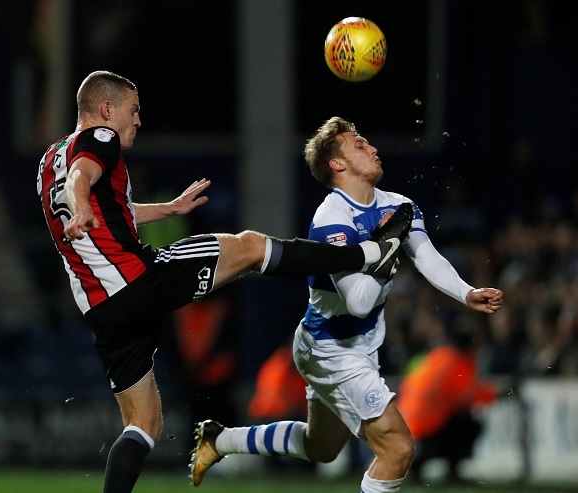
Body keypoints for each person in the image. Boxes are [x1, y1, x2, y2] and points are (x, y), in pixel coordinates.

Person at [36, 72, 412, 493]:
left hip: (102, 307)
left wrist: (167, 209)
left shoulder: (49, 159)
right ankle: (369, 253)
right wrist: (82, 205)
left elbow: (108, 207)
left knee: (143, 423)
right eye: (133, 110)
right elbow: (82, 178)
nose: (138, 120)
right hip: (138, 279)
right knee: (249, 247)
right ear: (106, 109)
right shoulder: (100, 137)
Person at [189, 116, 504, 493]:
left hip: (353, 345)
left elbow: (427, 257)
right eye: (359, 145)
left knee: (320, 447)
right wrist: (384, 249)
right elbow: (358, 302)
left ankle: (221, 439)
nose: (373, 148)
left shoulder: (398, 204)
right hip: (331, 349)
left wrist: (465, 292)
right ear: (337, 163)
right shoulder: (332, 219)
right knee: (397, 448)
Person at [396, 326, 497, 484]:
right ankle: (451, 469)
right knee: (469, 425)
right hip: (428, 424)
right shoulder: (459, 361)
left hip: (406, 420)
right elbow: (466, 397)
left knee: (457, 421)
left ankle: (418, 464)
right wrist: (495, 393)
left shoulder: (434, 356)